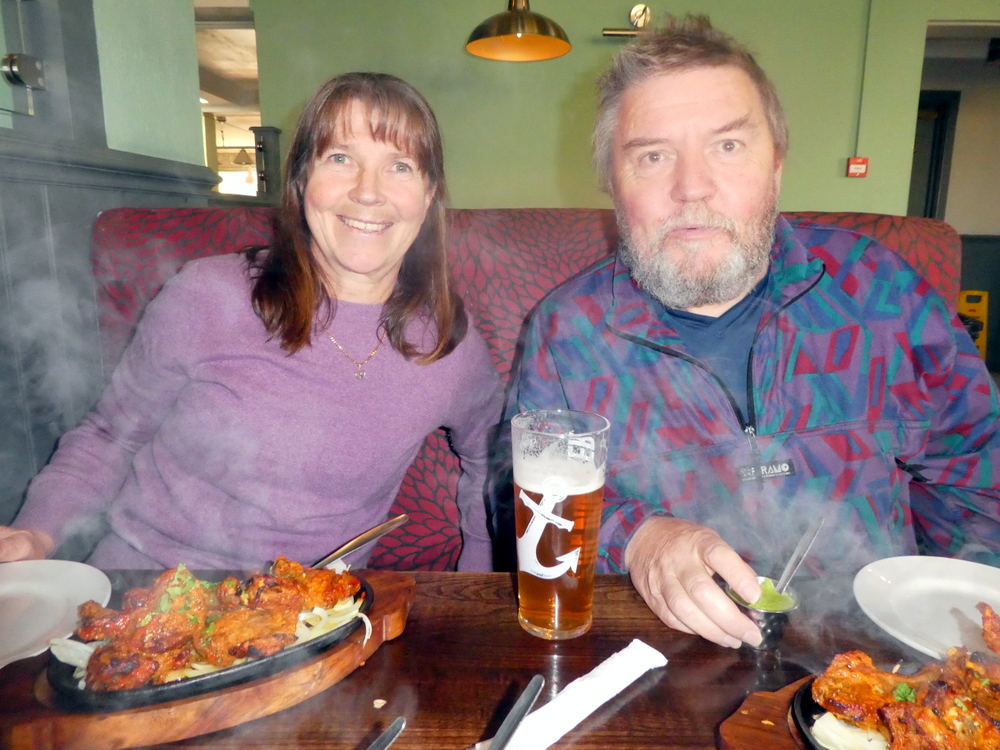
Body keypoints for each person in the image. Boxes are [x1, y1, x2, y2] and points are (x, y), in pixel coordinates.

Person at [507, 16, 1000, 648]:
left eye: (728, 146)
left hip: (877, 659)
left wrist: (961, 637)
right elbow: (528, 514)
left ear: (777, 165)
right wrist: (637, 537)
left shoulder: (882, 290)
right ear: (613, 183)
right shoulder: (565, 333)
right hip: (662, 664)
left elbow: (978, 479)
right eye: (653, 156)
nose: (692, 187)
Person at [0, 72, 503, 571]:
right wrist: (35, 532)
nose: (368, 191)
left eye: (400, 166)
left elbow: (493, 464)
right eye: (340, 158)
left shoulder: (447, 345)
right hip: (146, 584)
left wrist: (480, 588)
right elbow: (112, 433)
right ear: (302, 181)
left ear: (429, 196)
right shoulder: (206, 295)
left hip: (317, 606)